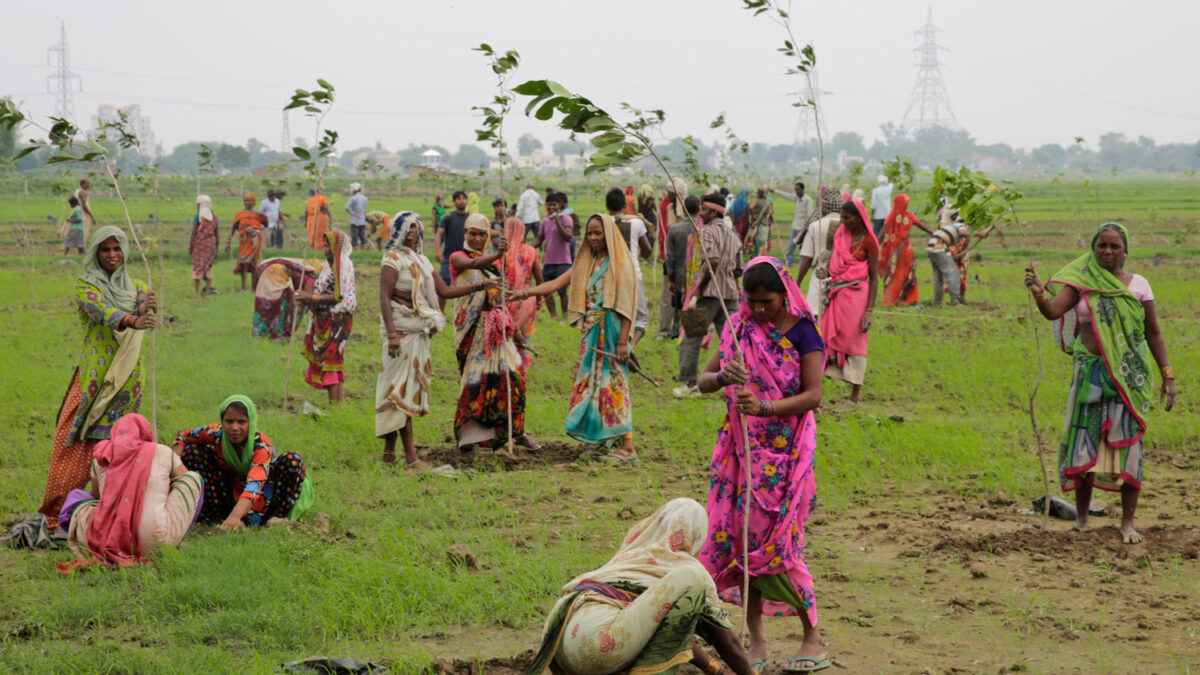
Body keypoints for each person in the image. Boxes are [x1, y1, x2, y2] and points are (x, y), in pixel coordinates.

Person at [697, 258, 829, 673]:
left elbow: (813, 395)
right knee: (742, 544)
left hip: (786, 457)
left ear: (784, 294)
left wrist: (767, 406)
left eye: (766, 302)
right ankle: (756, 640)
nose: (758, 310)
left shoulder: (805, 332)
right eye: (751, 301)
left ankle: (813, 637)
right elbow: (704, 379)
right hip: (741, 455)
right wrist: (723, 378)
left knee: (784, 546)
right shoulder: (738, 329)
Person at [1025, 223, 1175, 545]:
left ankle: (1128, 523)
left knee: (1129, 447)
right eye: (1101, 245)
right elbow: (1052, 312)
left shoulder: (1139, 286)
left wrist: (1167, 374)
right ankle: (1081, 522)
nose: (1107, 251)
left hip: (1129, 378)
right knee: (1085, 441)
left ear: (1125, 251)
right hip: (1090, 374)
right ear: (1092, 249)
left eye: (1114, 246)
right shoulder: (1081, 283)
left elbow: (1154, 333)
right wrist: (1039, 292)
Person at [529, 498, 755, 675]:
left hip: (561, 650)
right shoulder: (683, 568)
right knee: (691, 577)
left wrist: (714, 669)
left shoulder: (633, 557)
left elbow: (668, 629)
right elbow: (728, 644)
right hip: (600, 650)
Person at [38, 226, 157, 533]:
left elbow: (141, 304)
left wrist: (147, 307)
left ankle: (107, 511)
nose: (112, 255)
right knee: (75, 438)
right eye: (105, 249)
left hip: (128, 378)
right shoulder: (86, 284)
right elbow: (101, 311)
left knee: (117, 444)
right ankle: (60, 511)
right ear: (95, 253)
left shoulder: (138, 286)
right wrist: (134, 319)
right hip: (93, 377)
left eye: (117, 249)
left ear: (126, 251)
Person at [376, 212, 498, 469]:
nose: (412, 231)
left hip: (418, 334)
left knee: (400, 390)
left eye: (416, 227)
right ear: (397, 230)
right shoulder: (392, 259)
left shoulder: (421, 260)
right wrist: (391, 335)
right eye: (407, 227)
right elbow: (384, 298)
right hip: (400, 333)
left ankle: (388, 454)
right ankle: (411, 459)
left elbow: (444, 291)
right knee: (397, 392)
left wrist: (480, 286)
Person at [514, 214, 638, 461]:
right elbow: (556, 283)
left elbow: (627, 305)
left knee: (614, 384)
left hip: (612, 332)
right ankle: (603, 441)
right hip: (592, 331)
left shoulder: (620, 264)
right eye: (589, 233)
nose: (592, 238)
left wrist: (624, 341)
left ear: (609, 235)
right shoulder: (586, 262)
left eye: (597, 233)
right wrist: (522, 293)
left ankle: (628, 447)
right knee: (593, 385)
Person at [56, 413, 203, 571]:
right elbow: (182, 477)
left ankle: (113, 537)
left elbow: (97, 498)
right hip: (157, 543)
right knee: (192, 478)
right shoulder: (163, 451)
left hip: (105, 542)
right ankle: (176, 537)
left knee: (77, 498)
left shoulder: (102, 455)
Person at [449, 214, 535, 450]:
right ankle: (468, 439)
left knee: (513, 379)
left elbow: (499, 302)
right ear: (465, 233)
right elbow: (472, 265)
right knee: (476, 384)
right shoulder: (458, 257)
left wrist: (514, 329)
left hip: (496, 332)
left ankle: (515, 432)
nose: (477, 238)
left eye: (482, 234)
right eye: (473, 233)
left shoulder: (495, 266)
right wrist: (498, 253)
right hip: (471, 332)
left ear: (488, 236)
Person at [174, 396, 312, 529]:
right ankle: (210, 515)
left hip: (265, 494)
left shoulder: (261, 447)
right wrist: (175, 471)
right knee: (192, 451)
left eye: (241, 422)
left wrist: (234, 517)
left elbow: (254, 485)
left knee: (292, 460)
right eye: (229, 421)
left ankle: (275, 519)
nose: (234, 427)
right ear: (222, 421)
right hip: (231, 489)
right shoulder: (216, 433)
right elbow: (182, 437)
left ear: (250, 423)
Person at [675, 194, 744, 398]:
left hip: (708, 293)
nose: (701, 213)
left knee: (690, 338)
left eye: (704, 210)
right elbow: (739, 269)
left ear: (713, 212)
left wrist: (700, 287)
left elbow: (712, 261)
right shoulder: (734, 236)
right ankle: (740, 383)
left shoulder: (706, 232)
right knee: (734, 340)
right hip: (730, 293)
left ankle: (689, 385)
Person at [822, 198, 879, 407]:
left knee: (855, 342)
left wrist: (869, 311)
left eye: (847, 218)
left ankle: (854, 396)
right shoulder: (839, 235)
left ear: (859, 217)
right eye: (842, 218)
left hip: (858, 297)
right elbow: (832, 265)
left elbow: (874, 277)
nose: (843, 222)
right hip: (836, 295)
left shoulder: (869, 241)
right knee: (826, 339)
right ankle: (816, 391)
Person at [299, 230, 356, 405]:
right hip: (324, 318)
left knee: (332, 361)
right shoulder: (328, 266)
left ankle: (334, 407)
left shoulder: (342, 265)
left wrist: (310, 298)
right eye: (324, 245)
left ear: (337, 247)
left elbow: (340, 296)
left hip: (337, 318)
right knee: (331, 361)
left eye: (328, 246)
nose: (325, 249)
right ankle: (336, 407)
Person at [607, 187, 652, 346]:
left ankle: (617, 346)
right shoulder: (636, 222)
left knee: (615, 315)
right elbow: (647, 252)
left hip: (609, 276)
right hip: (633, 275)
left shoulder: (604, 223)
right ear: (625, 206)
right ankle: (629, 348)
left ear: (607, 207)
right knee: (641, 319)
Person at [795, 187, 843, 320]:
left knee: (815, 315)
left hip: (819, 275)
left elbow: (807, 259)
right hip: (841, 277)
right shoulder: (847, 224)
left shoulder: (815, 225)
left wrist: (797, 283)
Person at [502, 217, 543, 375]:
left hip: (507, 300)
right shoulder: (531, 252)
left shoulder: (503, 253)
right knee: (525, 338)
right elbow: (539, 279)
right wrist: (538, 299)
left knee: (507, 337)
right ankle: (521, 373)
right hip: (527, 301)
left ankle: (506, 370)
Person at [252, 256, 324, 341]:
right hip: (279, 274)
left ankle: (260, 333)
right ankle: (280, 335)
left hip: (265, 271)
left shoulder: (304, 264)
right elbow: (308, 298)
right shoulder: (312, 275)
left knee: (264, 305)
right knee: (283, 306)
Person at [662, 196, 701, 341]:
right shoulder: (703, 229)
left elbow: (670, 257)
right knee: (694, 304)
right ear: (699, 210)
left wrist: (670, 278)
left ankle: (676, 332)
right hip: (698, 275)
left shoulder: (675, 229)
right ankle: (691, 334)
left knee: (678, 304)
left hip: (679, 274)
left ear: (683, 210)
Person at [656, 178, 688, 339]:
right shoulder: (666, 208)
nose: (667, 194)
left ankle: (692, 333)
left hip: (688, 262)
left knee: (690, 297)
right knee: (667, 297)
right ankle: (664, 330)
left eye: (671, 192)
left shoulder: (688, 215)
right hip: (672, 258)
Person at [533, 192, 574, 320]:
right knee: (546, 291)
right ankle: (554, 317)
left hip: (563, 262)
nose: (551, 207)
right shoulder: (545, 221)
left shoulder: (566, 219)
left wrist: (557, 222)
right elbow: (539, 240)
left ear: (559, 205)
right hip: (549, 262)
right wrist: (524, 248)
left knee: (562, 292)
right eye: (549, 205)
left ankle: (565, 317)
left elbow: (568, 237)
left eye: (554, 205)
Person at [920, 209, 969, 306]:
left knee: (938, 276)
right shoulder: (961, 226)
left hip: (931, 247)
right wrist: (979, 234)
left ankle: (937, 302)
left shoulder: (949, 226)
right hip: (940, 247)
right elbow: (963, 233)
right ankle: (955, 301)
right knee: (953, 273)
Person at [879, 193, 920, 307]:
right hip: (894, 253)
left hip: (905, 252)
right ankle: (891, 300)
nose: (907, 205)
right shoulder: (893, 217)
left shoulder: (909, 216)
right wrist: (874, 245)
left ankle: (908, 299)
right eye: (905, 203)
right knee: (896, 275)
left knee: (907, 274)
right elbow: (883, 232)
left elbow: (921, 226)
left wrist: (934, 233)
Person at [435, 190, 470, 306]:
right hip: (448, 258)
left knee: (465, 287)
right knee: (443, 287)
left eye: (464, 198)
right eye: (459, 199)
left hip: (466, 258)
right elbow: (439, 234)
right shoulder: (448, 217)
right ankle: (440, 313)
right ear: (454, 202)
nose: (462, 200)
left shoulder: (470, 218)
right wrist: (438, 251)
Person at [226, 193, 267, 292]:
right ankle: (243, 288)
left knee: (253, 265)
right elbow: (234, 227)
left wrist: (264, 216)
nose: (246, 202)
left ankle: (254, 288)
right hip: (244, 241)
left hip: (255, 242)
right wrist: (228, 241)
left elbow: (266, 224)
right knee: (243, 264)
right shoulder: (240, 214)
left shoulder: (257, 214)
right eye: (245, 200)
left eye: (248, 200)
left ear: (254, 202)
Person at [770, 181, 815, 267]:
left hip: (802, 229)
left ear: (802, 189)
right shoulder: (797, 198)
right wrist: (773, 190)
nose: (796, 192)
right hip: (795, 228)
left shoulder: (808, 200)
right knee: (790, 248)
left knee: (802, 250)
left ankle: (800, 266)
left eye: (797, 190)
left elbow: (809, 215)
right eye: (795, 190)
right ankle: (788, 266)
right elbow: (786, 195)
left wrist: (805, 229)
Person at [190, 194, 219, 295]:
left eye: (197, 205)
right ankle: (207, 291)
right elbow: (217, 234)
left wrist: (191, 247)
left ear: (200, 205)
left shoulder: (198, 216)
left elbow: (194, 233)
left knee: (198, 267)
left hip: (200, 245)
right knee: (208, 267)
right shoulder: (214, 217)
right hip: (211, 245)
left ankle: (197, 292)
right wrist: (216, 249)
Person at [745, 189, 774, 258]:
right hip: (764, 226)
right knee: (762, 243)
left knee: (753, 242)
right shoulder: (767, 202)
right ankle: (761, 257)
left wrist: (753, 215)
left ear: (758, 194)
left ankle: (754, 258)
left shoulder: (757, 201)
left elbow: (750, 207)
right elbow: (771, 211)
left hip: (756, 225)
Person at [868, 175, 892, 239]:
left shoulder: (875, 191)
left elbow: (874, 204)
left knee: (876, 231)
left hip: (878, 215)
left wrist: (872, 215)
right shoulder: (889, 189)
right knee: (886, 231)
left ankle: (877, 245)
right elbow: (891, 183)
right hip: (887, 214)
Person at [345, 183, 368, 248]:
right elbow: (364, 208)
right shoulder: (365, 198)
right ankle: (364, 252)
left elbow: (346, 207)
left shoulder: (352, 198)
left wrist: (353, 213)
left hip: (354, 221)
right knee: (363, 238)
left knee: (354, 238)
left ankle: (355, 252)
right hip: (362, 220)